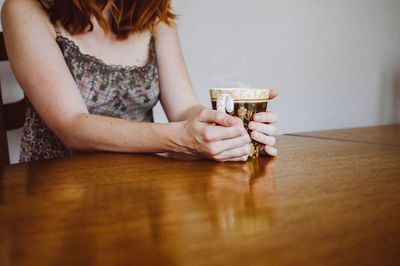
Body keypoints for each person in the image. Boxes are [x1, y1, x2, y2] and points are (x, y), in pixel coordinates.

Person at [1, 0, 278, 163]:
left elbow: (184, 109)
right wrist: (182, 138)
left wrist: (227, 129)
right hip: (55, 190)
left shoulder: (154, 13)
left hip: (143, 181)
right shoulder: (23, 7)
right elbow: (72, 126)